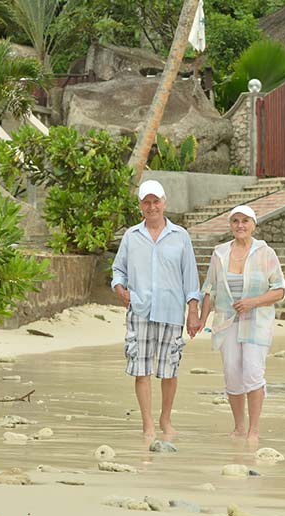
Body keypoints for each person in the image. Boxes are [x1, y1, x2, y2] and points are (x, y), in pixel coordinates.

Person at [112, 179, 201, 438]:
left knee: (169, 371)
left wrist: (193, 311)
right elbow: (119, 269)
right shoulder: (131, 236)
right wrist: (120, 288)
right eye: (146, 202)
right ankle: (147, 423)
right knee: (141, 370)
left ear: (164, 202)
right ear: (140, 205)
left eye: (156, 201)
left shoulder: (181, 236)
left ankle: (165, 419)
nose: (152, 206)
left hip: (172, 312)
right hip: (139, 309)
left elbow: (191, 278)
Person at [198, 205, 285, 444]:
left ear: (253, 225)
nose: (240, 225)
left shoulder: (266, 253)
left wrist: (253, 302)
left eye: (245, 221)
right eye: (235, 221)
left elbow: (279, 290)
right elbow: (209, 290)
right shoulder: (219, 253)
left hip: (256, 322)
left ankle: (253, 430)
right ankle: (238, 427)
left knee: (253, 372)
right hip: (227, 322)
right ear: (230, 225)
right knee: (232, 374)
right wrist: (199, 319)